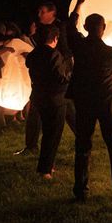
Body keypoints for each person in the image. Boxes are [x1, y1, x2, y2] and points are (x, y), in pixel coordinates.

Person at [67, 0, 112, 200]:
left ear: (86, 28)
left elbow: (69, 27)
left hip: (84, 101)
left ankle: (81, 190)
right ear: (103, 30)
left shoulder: (78, 45)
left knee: (83, 145)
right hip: (106, 104)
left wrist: (78, 6)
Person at [15, 1, 75, 155]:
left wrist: (61, 68)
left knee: (65, 109)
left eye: (42, 11)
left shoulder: (59, 29)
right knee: (38, 110)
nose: (39, 14)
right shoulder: (39, 29)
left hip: (57, 77)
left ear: (51, 12)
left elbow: (65, 51)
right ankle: (31, 145)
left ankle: (82, 137)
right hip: (44, 80)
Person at [25, 25, 71, 179]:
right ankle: (45, 170)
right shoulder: (54, 55)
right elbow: (59, 78)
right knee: (52, 135)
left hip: (39, 97)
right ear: (55, 38)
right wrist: (71, 77)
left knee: (47, 132)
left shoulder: (34, 54)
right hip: (55, 99)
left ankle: (48, 165)